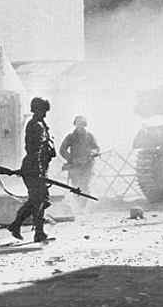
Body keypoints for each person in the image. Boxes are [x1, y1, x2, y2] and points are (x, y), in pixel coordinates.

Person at [7, 97, 56, 242]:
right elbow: (34, 150)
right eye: (43, 110)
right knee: (39, 200)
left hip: (38, 167)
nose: (45, 114)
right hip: (34, 167)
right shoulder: (36, 125)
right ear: (36, 110)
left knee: (40, 199)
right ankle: (38, 232)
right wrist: (39, 171)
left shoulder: (41, 124)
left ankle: (16, 225)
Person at [59, 115, 100, 210]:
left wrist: (93, 153)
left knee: (85, 185)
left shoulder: (89, 136)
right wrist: (71, 159)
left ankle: (83, 206)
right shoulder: (70, 137)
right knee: (76, 186)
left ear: (85, 125)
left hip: (87, 165)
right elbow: (62, 150)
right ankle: (79, 206)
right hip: (75, 166)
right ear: (75, 124)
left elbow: (96, 148)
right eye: (78, 123)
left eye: (82, 124)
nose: (80, 126)